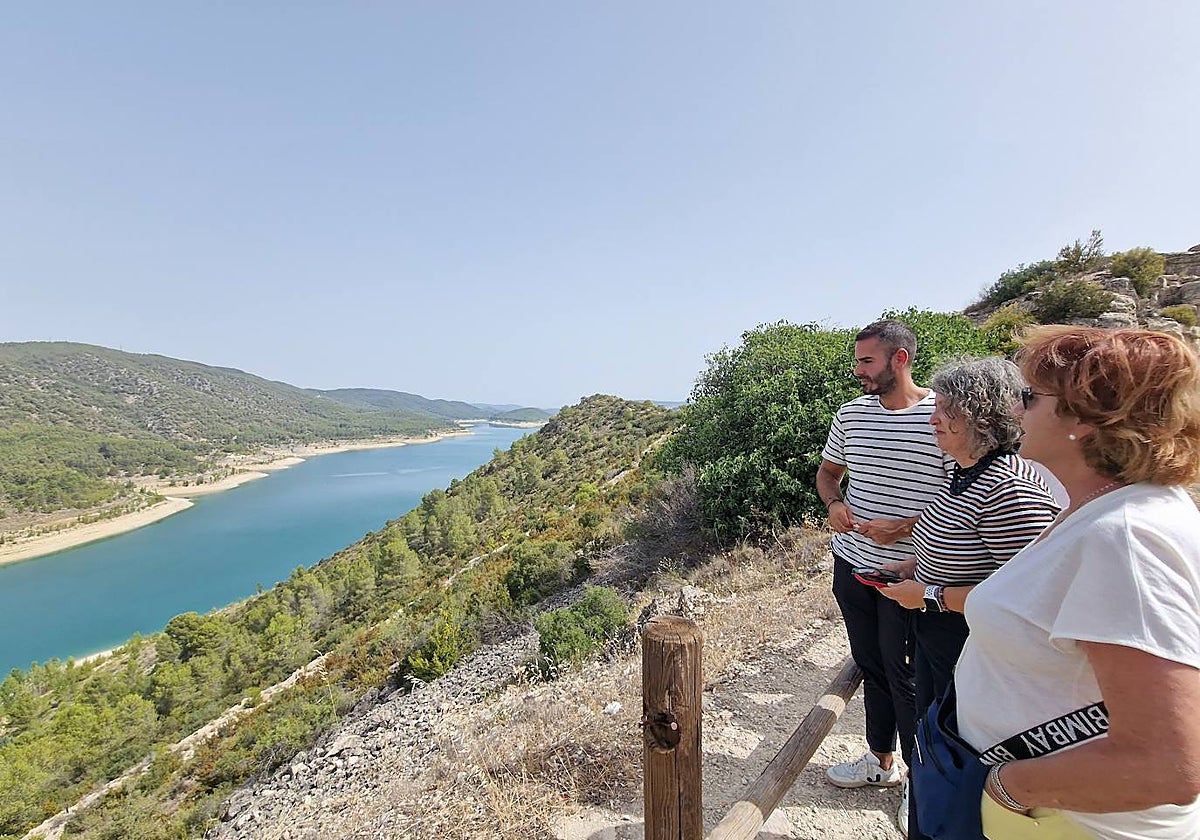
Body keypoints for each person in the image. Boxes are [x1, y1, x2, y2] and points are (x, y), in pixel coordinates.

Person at [955, 326, 1200, 839]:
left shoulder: (1127, 536)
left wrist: (1008, 786)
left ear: (1086, 418)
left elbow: (1168, 766)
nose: (1016, 411)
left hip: (1074, 822)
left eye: (1029, 396)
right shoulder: (1106, 511)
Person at [876, 357, 1060, 839]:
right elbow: (963, 549)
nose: (933, 418)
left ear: (981, 418)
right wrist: (913, 567)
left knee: (959, 762)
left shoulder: (1010, 488)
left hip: (973, 651)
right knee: (934, 750)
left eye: (946, 410)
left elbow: (1029, 595)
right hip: (943, 642)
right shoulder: (963, 473)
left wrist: (932, 596)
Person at [817, 320, 949, 790]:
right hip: (852, 562)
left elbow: (964, 492)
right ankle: (880, 760)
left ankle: (923, 783)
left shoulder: (943, 413)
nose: (857, 371)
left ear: (900, 359)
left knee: (908, 676)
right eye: (856, 361)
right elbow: (828, 473)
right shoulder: (851, 415)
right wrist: (834, 504)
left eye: (866, 361)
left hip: (912, 570)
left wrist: (905, 527)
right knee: (871, 663)